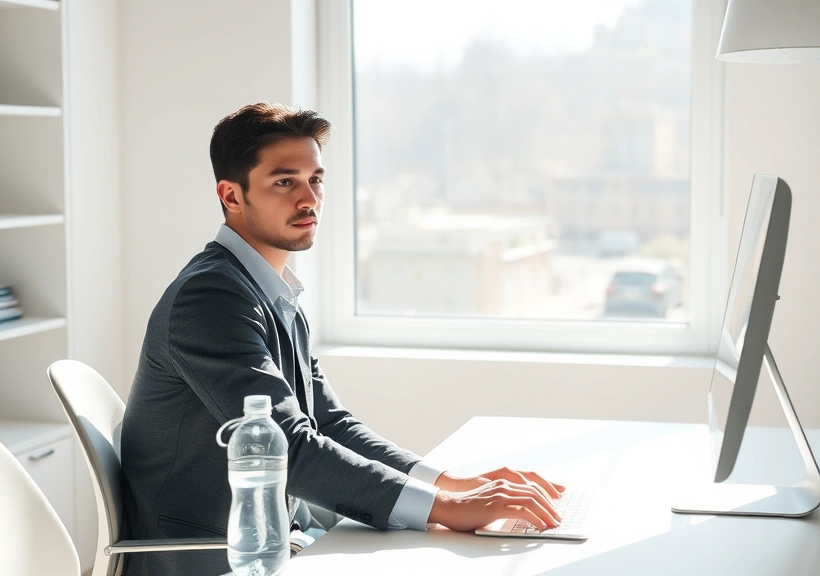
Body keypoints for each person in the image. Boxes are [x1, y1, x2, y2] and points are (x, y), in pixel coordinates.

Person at [120, 102, 564, 576]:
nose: (308, 199)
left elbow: (329, 422)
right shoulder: (210, 299)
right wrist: (445, 509)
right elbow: (287, 444)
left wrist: (451, 486)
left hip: (280, 535)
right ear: (231, 195)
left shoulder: (271, 289)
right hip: (217, 557)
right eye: (284, 182)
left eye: (316, 180)